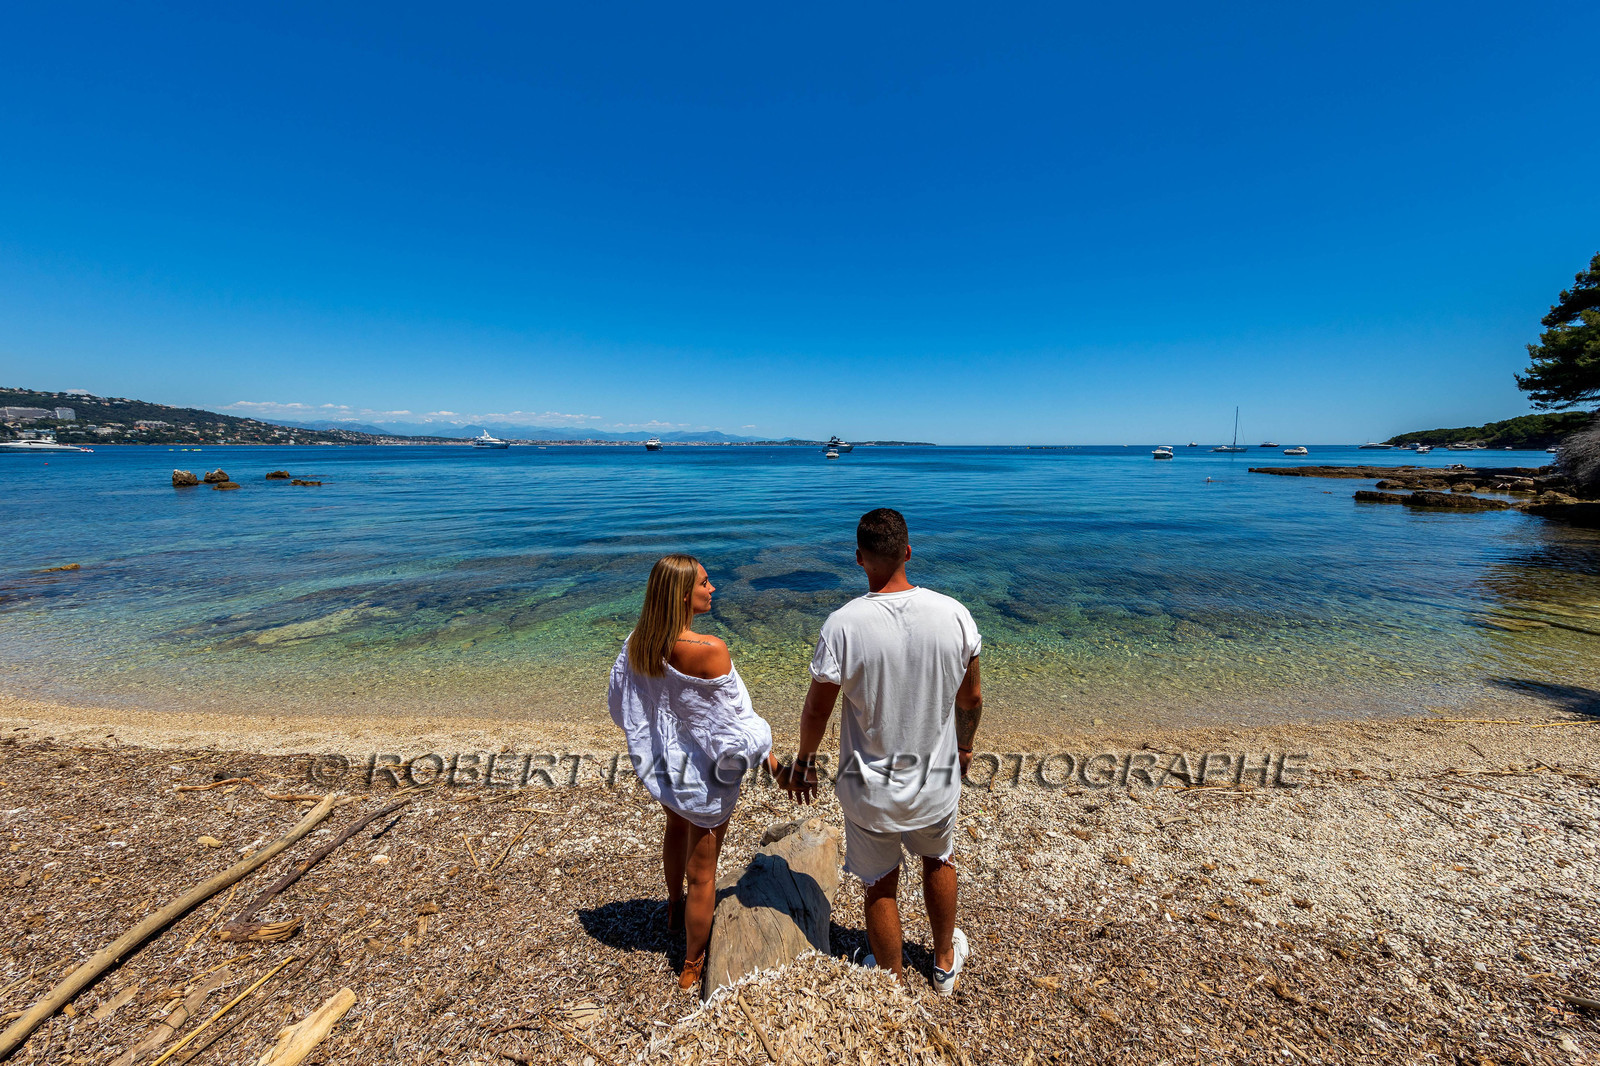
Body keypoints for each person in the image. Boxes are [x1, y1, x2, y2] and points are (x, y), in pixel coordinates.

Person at [780, 508, 983, 995]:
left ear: (858, 558)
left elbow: (817, 711)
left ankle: (891, 982)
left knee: (879, 882)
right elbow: (971, 698)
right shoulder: (954, 614)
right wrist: (964, 746)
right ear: (908, 551)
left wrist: (805, 762)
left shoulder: (843, 625)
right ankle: (944, 963)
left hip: (869, 790)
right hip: (935, 783)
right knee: (939, 861)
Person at [608, 554, 778, 992]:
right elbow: (734, 726)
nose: (712, 588)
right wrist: (770, 757)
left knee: (674, 828)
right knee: (703, 874)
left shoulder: (639, 642)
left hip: (666, 767)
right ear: (684, 595)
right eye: (705, 582)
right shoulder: (710, 650)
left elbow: (621, 702)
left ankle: (672, 906)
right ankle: (692, 963)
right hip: (703, 778)